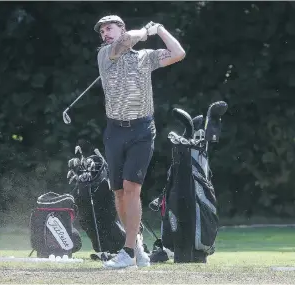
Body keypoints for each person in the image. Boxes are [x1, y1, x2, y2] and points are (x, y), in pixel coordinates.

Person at [94, 15, 186, 269]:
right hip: (115, 130)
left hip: (142, 129)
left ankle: (128, 253)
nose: (105, 34)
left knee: (131, 187)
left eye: (109, 28)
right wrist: (146, 31)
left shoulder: (145, 57)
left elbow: (178, 52)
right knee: (119, 192)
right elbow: (122, 44)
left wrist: (161, 30)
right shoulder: (105, 54)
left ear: (121, 28)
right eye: (101, 31)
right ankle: (137, 246)